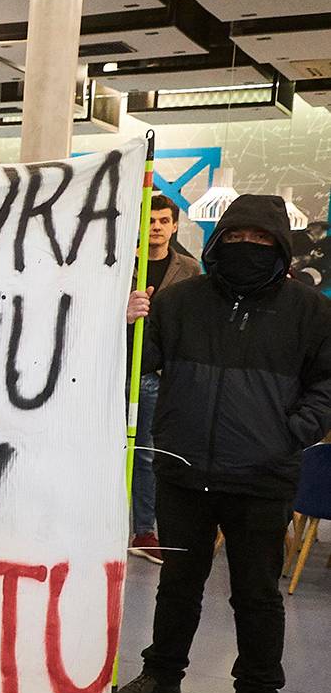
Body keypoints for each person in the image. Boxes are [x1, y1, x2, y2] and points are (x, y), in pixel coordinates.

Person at [114, 194, 331, 693]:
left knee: (255, 592)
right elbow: (141, 364)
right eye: (236, 239)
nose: (247, 249)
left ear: (280, 246)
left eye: (260, 241)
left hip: (261, 477)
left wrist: (292, 431)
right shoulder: (180, 302)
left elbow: (326, 386)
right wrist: (127, 326)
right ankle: (162, 673)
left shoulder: (311, 311)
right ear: (218, 242)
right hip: (183, 471)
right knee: (178, 583)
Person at [128, 194, 201, 565]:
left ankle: (144, 530)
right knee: (104, 453)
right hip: (115, 368)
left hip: (160, 374)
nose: (156, 226)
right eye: (150, 220)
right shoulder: (122, 264)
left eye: (163, 220)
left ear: (174, 226)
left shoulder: (189, 270)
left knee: (146, 456)